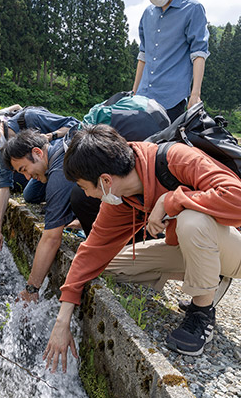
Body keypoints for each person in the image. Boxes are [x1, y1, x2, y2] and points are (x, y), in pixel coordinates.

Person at [43, 124, 241, 372]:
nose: (88, 195)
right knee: (107, 267)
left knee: (193, 220)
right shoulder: (121, 199)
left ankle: (201, 313)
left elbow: (237, 199)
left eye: (85, 187)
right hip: (194, 248)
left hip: (233, 247)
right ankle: (212, 276)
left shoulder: (177, 158)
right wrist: (62, 321)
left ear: (105, 180)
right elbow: (92, 250)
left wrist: (171, 200)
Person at [0, 108, 80, 257]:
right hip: (42, 171)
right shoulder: (4, 151)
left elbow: (74, 124)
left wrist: (51, 136)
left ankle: (67, 205)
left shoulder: (30, 118)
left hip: (64, 161)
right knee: (30, 194)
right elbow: (3, 188)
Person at [2, 129, 98, 302]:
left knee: (78, 196)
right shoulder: (59, 153)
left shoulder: (60, 172)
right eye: (21, 173)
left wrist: (31, 288)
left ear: (37, 152)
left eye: (25, 169)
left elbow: (51, 238)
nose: (27, 176)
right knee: (31, 193)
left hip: (134, 215)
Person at [132, 0, 209, 123]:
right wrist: (133, 92)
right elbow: (143, 55)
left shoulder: (193, 9)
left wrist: (195, 95)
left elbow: (199, 53)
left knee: (166, 146)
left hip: (172, 100)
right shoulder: (147, 13)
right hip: (142, 99)